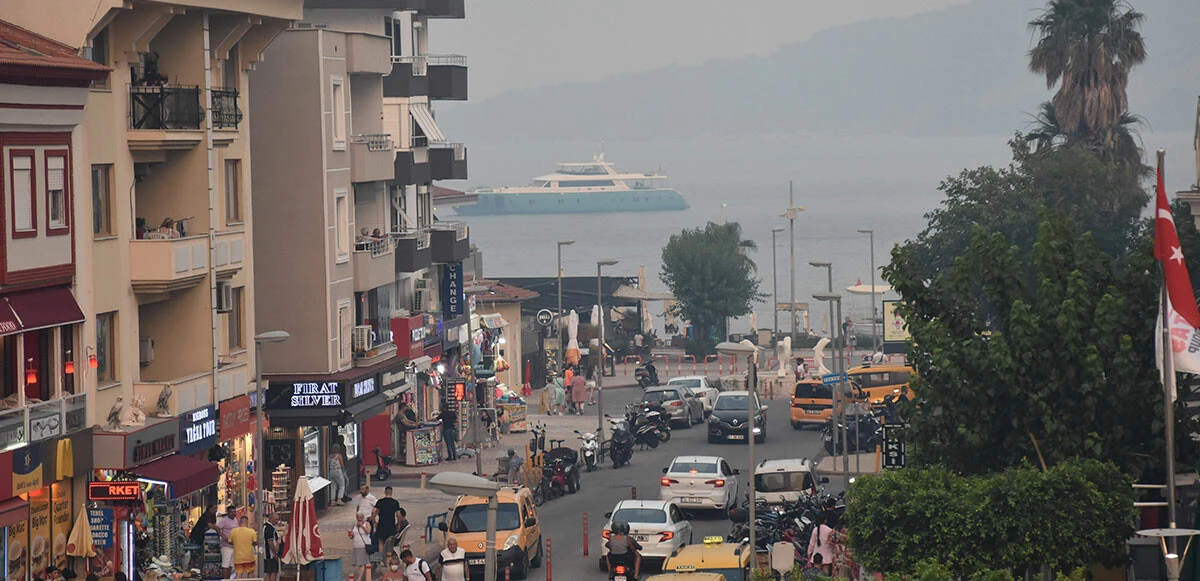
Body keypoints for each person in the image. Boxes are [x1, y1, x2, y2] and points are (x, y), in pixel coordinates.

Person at [373, 486, 403, 558]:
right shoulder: (395, 502)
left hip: (381, 524)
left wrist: (374, 521)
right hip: (391, 525)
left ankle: (381, 558)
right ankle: (388, 558)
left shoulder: (380, 501)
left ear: (385, 492)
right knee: (390, 542)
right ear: (391, 492)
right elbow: (398, 515)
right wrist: (399, 524)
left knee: (381, 541)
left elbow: (373, 511)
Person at [350, 513, 375, 581]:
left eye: (361, 517)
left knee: (362, 563)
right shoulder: (354, 525)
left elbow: (368, 532)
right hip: (356, 546)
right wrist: (350, 535)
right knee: (359, 563)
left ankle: (359, 578)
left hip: (364, 546)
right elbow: (352, 535)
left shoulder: (367, 524)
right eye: (358, 517)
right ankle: (363, 577)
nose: (359, 519)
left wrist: (361, 526)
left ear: (363, 517)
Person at [215, 509, 239, 579]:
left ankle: (228, 579)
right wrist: (222, 535)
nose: (233, 513)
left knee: (231, 566)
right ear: (228, 513)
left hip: (233, 546)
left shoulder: (235, 520)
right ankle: (225, 579)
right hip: (226, 546)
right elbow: (217, 527)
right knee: (225, 565)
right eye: (231, 512)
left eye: (234, 512)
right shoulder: (224, 520)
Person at [262, 511, 282, 581]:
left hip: (266, 555)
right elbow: (270, 542)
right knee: (273, 572)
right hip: (271, 555)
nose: (277, 521)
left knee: (268, 572)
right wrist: (275, 554)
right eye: (276, 519)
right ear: (271, 518)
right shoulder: (270, 528)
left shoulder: (264, 527)